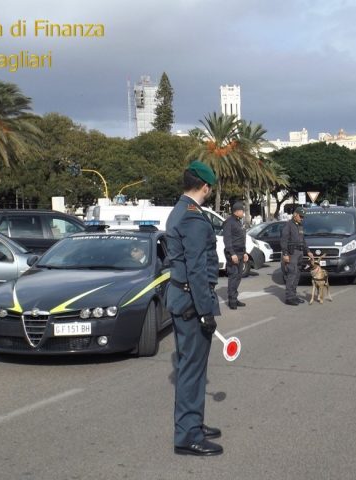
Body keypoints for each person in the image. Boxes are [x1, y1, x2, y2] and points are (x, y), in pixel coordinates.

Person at [165, 161, 223, 457]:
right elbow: (197, 268)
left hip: (182, 299)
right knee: (192, 370)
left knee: (192, 368)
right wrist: (205, 311)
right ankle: (188, 436)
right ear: (205, 187)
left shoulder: (180, 210)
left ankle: (194, 423)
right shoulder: (192, 218)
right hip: (191, 302)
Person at [280, 206, 312, 306]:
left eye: (303, 217)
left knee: (297, 274)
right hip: (291, 253)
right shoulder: (288, 225)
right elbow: (283, 240)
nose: (302, 218)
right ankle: (289, 297)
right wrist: (285, 253)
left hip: (300, 252)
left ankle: (293, 295)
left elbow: (303, 240)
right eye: (300, 216)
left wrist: (308, 251)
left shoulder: (300, 226)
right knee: (291, 274)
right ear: (295, 214)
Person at [221, 201, 248, 310]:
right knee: (233, 276)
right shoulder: (229, 222)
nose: (243, 213)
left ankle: (235, 298)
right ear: (236, 211)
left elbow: (242, 239)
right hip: (234, 253)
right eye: (242, 210)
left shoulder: (238, 222)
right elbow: (227, 240)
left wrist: (245, 252)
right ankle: (232, 300)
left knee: (238, 276)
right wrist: (232, 254)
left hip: (241, 252)